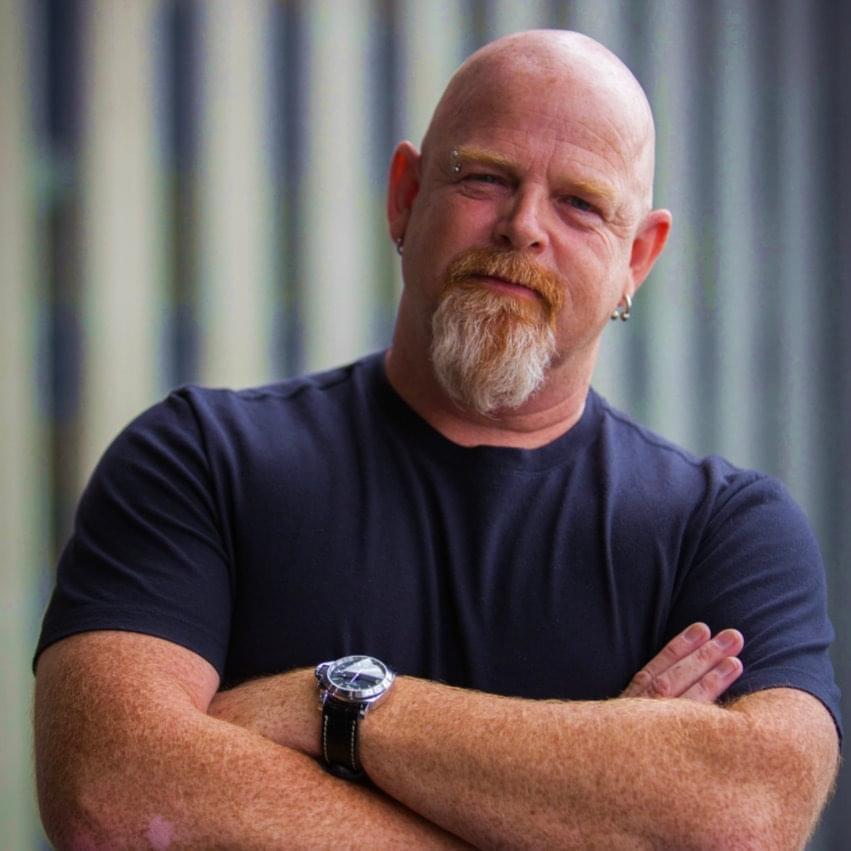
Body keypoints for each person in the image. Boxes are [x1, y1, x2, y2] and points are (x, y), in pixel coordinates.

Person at [34, 29, 840, 849]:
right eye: (484, 177)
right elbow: (113, 792)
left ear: (637, 257)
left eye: (579, 203)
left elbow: (750, 812)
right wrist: (585, 808)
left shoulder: (724, 529)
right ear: (405, 195)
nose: (523, 227)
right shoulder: (197, 459)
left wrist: (335, 705)